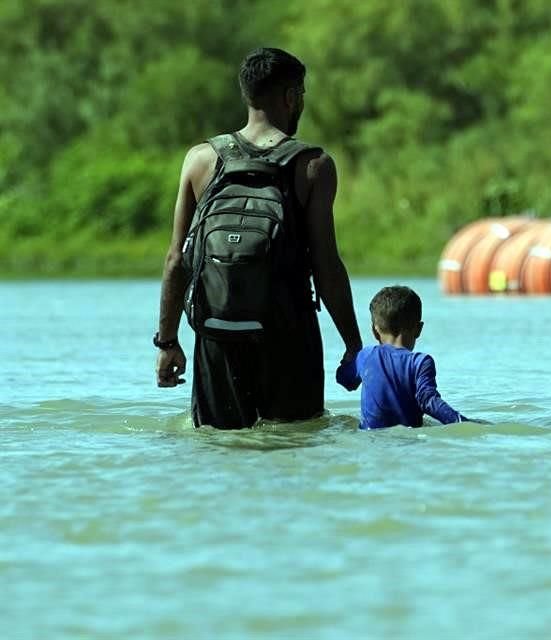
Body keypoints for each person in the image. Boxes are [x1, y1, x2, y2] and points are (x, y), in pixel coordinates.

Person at [154, 47, 363, 429]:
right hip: (288, 334)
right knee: (294, 438)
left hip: (217, 334)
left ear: (247, 94)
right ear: (291, 97)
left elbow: (175, 260)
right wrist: (353, 345)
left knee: (220, 444)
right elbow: (326, 264)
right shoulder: (313, 166)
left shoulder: (200, 159)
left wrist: (168, 343)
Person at [335, 285, 480, 429]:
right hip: (409, 442)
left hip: (371, 440)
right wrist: (464, 423)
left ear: (374, 331)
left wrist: (350, 356)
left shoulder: (366, 356)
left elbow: (345, 380)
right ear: (418, 329)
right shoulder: (421, 362)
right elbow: (428, 400)